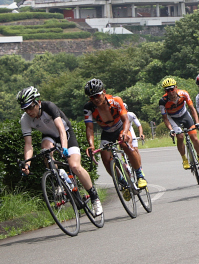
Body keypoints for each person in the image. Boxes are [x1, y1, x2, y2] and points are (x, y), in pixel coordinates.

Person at [17, 86, 103, 216]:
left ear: (38, 102)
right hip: (49, 137)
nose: (28, 111)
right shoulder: (25, 119)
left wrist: (64, 148)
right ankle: (57, 179)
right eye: (25, 108)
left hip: (66, 134)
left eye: (30, 107)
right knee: (45, 150)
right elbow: (28, 145)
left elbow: (61, 130)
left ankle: (94, 197)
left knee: (75, 166)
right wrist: (27, 164)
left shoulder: (49, 107)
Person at [83, 78, 147, 198]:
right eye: (92, 97)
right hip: (107, 132)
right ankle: (122, 181)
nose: (95, 99)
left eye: (97, 95)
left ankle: (140, 174)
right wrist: (91, 145)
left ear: (103, 92)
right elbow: (90, 128)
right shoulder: (89, 108)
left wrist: (126, 132)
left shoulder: (115, 101)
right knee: (105, 158)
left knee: (124, 144)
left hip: (120, 127)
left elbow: (125, 119)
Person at [158, 77, 199, 171]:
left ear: (176, 87)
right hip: (173, 118)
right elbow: (165, 118)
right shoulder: (163, 101)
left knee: (194, 137)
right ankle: (184, 159)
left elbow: (192, 109)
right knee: (180, 137)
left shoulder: (183, 93)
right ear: (165, 91)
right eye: (168, 90)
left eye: (172, 89)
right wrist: (171, 129)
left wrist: (197, 123)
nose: (170, 92)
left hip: (184, 114)